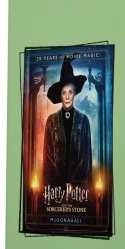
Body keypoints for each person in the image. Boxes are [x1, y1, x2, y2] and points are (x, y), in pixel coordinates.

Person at [43, 58, 92, 186]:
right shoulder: (52, 120)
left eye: (70, 92)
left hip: (78, 186)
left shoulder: (83, 120)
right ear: (60, 95)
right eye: (64, 92)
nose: (67, 96)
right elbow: (47, 153)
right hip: (56, 186)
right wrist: (57, 180)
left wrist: (76, 181)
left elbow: (86, 154)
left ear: (75, 92)